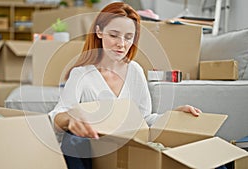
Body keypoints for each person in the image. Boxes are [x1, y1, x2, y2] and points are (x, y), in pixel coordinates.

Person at [48, 2, 201, 169]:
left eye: (128, 37)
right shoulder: (81, 75)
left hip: (129, 150)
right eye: (114, 35)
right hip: (96, 152)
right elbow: (56, 116)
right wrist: (70, 119)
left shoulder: (135, 70)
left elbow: (144, 119)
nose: (121, 44)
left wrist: (172, 116)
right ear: (99, 31)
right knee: (73, 139)